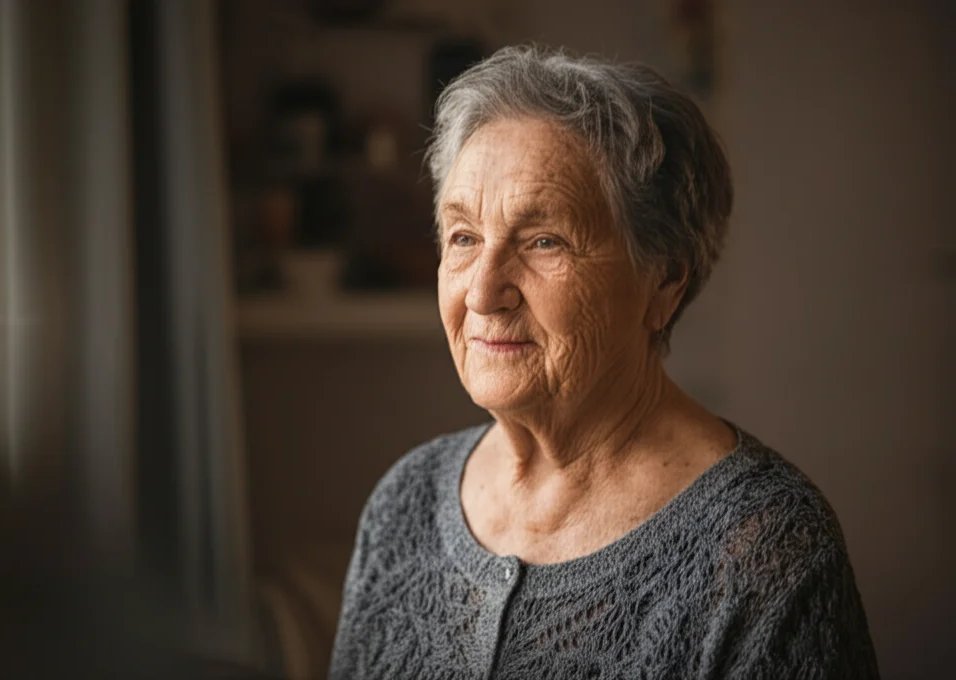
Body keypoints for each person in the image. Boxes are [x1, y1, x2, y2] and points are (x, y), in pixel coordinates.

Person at [329, 45, 879, 679]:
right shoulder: (407, 502)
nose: (481, 292)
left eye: (543, 241)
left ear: (665, 280)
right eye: (464, 238)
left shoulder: (764, 547)